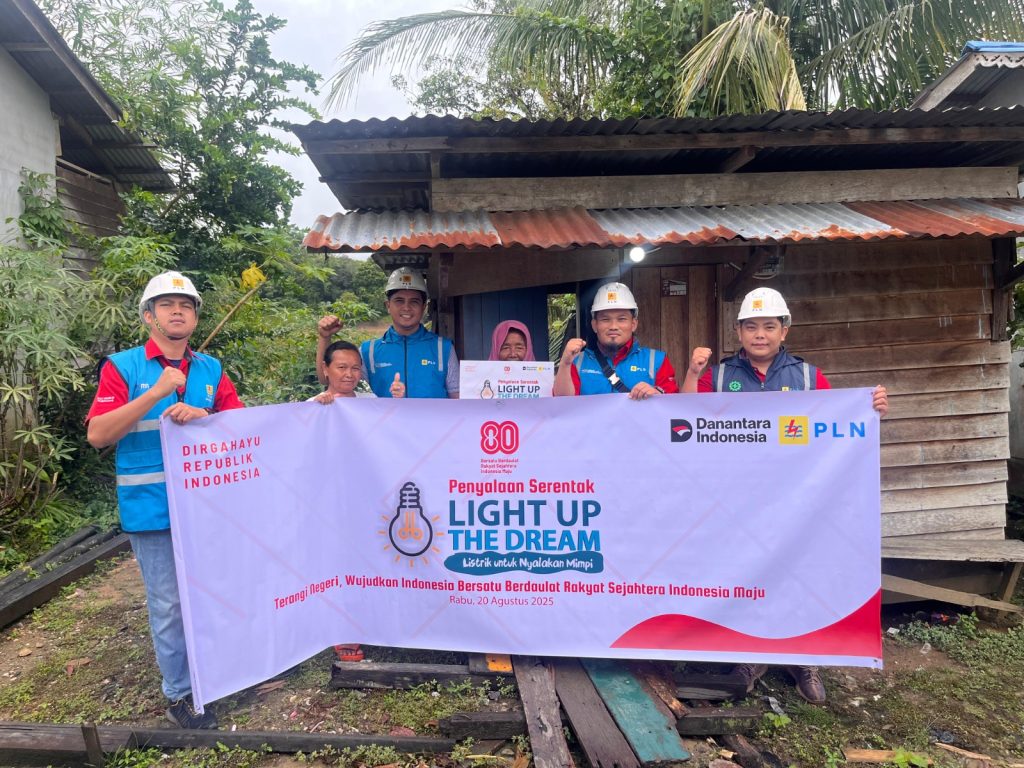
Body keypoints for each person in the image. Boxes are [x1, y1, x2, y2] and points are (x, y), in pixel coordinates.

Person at [683, 286, 888, 705]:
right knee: (750, 575)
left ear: (784, 330)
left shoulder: (809, 377)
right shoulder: (719, 376)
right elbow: (682, 416)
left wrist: (871, 408)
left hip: (797, 502)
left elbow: (838, 423)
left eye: (769, 326)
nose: (759, 334)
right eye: (751, 326)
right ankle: (750, 658)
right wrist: (691, 373)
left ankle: (804, 660)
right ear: (738, 331)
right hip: (739, 499)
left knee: (799, 574)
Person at [86, 271, 243, 729]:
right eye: (167, 305)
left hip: (207, 508)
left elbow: (241, 427)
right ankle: (180, 693)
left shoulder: (211, 369)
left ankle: (215, 674)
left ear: (195, 317)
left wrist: (205, 414)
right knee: (169, 605)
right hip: (151, 507)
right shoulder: (123, 367)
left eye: (186, 305)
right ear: (148, 317)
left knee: (212, 593)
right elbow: (98, 434)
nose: (178, 311)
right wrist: (154, 393)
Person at [316, 267, 458, 399]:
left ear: (424, 307)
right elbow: (326, 378)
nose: (406, 307)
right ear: (388, 305)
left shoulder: (443, 348)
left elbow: (457, 397)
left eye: (414, 302)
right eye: (399, 301)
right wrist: (324, 337)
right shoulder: (369, 351)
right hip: (384, 420)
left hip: (432, 420)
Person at [554, 282, 678, 398]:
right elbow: (562, 403)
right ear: (594, 325)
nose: (613, 326)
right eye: (605, 319)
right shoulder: (577, 362)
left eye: (621, 319)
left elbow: (674, 404)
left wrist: (657, 393)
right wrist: (565, 363)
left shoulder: (656, 360)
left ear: (633, 324)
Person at [310, 340, 378, 403]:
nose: (349, 375)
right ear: (325, 368)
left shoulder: (371, 401)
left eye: (355, 368)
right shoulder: (312, 404)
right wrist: (315, 407)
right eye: (342, 367)